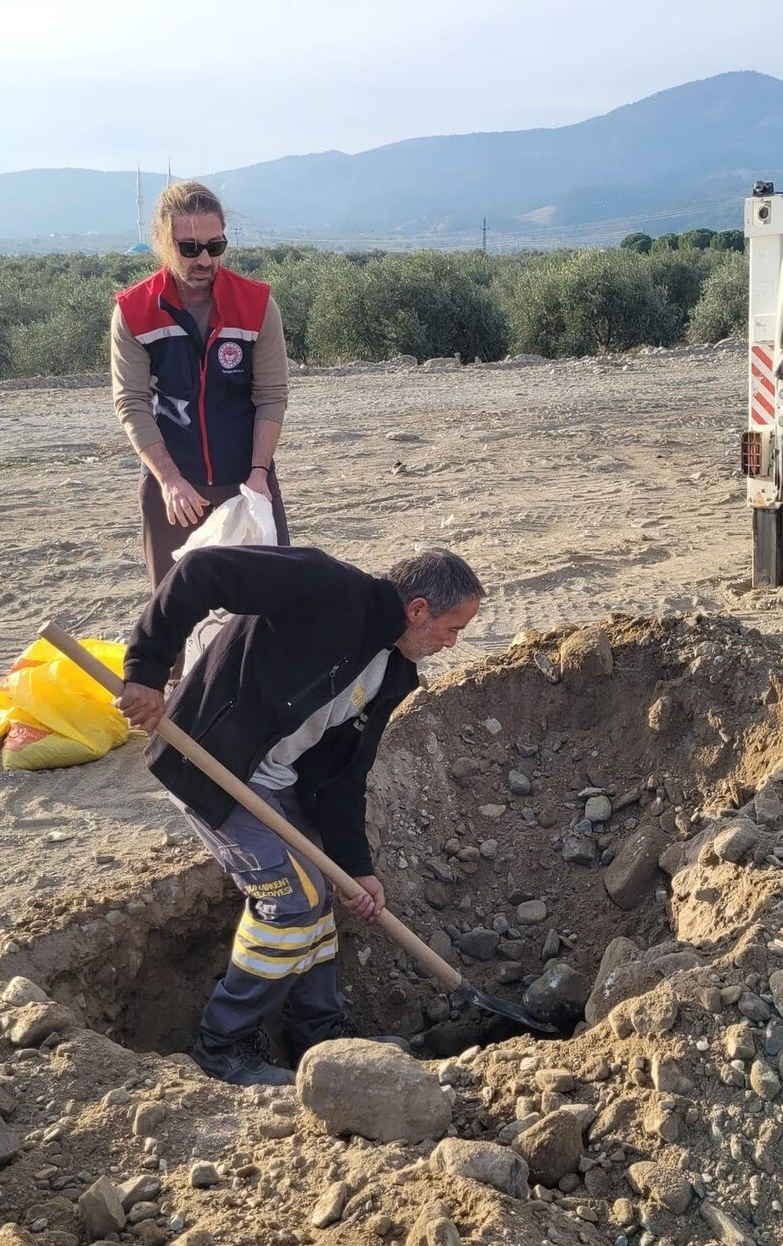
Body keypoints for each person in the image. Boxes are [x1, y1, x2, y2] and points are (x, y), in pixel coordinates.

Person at [116, 545, 485, 1086]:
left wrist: (355, 866)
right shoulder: (324, 586)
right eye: (453, 629)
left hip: (276, 779)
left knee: (322, 891)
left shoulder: (393, 671)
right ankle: (222, 1043)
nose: (452, 643)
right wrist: (145, 670)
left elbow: (341, 777)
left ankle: (319, 1035)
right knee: (292, 899)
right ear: (418, 610)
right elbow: (200, 571)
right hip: (210, 761)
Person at [110, 180, 290, 590]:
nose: (204, 259)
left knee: (267, 605)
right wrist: (169, 480)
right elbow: (132, 401)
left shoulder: (258, 304)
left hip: (247, 477)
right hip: (175, 487)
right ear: (162, 242)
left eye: (215, 246)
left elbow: (271, 396)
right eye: (189, 248)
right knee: (176, 615)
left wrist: (259, 473)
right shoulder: (134, 311)